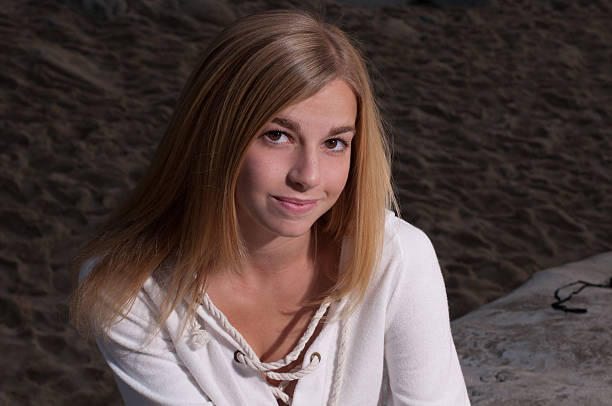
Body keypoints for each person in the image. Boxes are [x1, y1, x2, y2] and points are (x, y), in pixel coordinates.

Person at [71, 9, 470, 406]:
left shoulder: (396, 256)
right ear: (215, 135)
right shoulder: (128, 289)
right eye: (277, 135)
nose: (308, 176)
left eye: (335, 143)